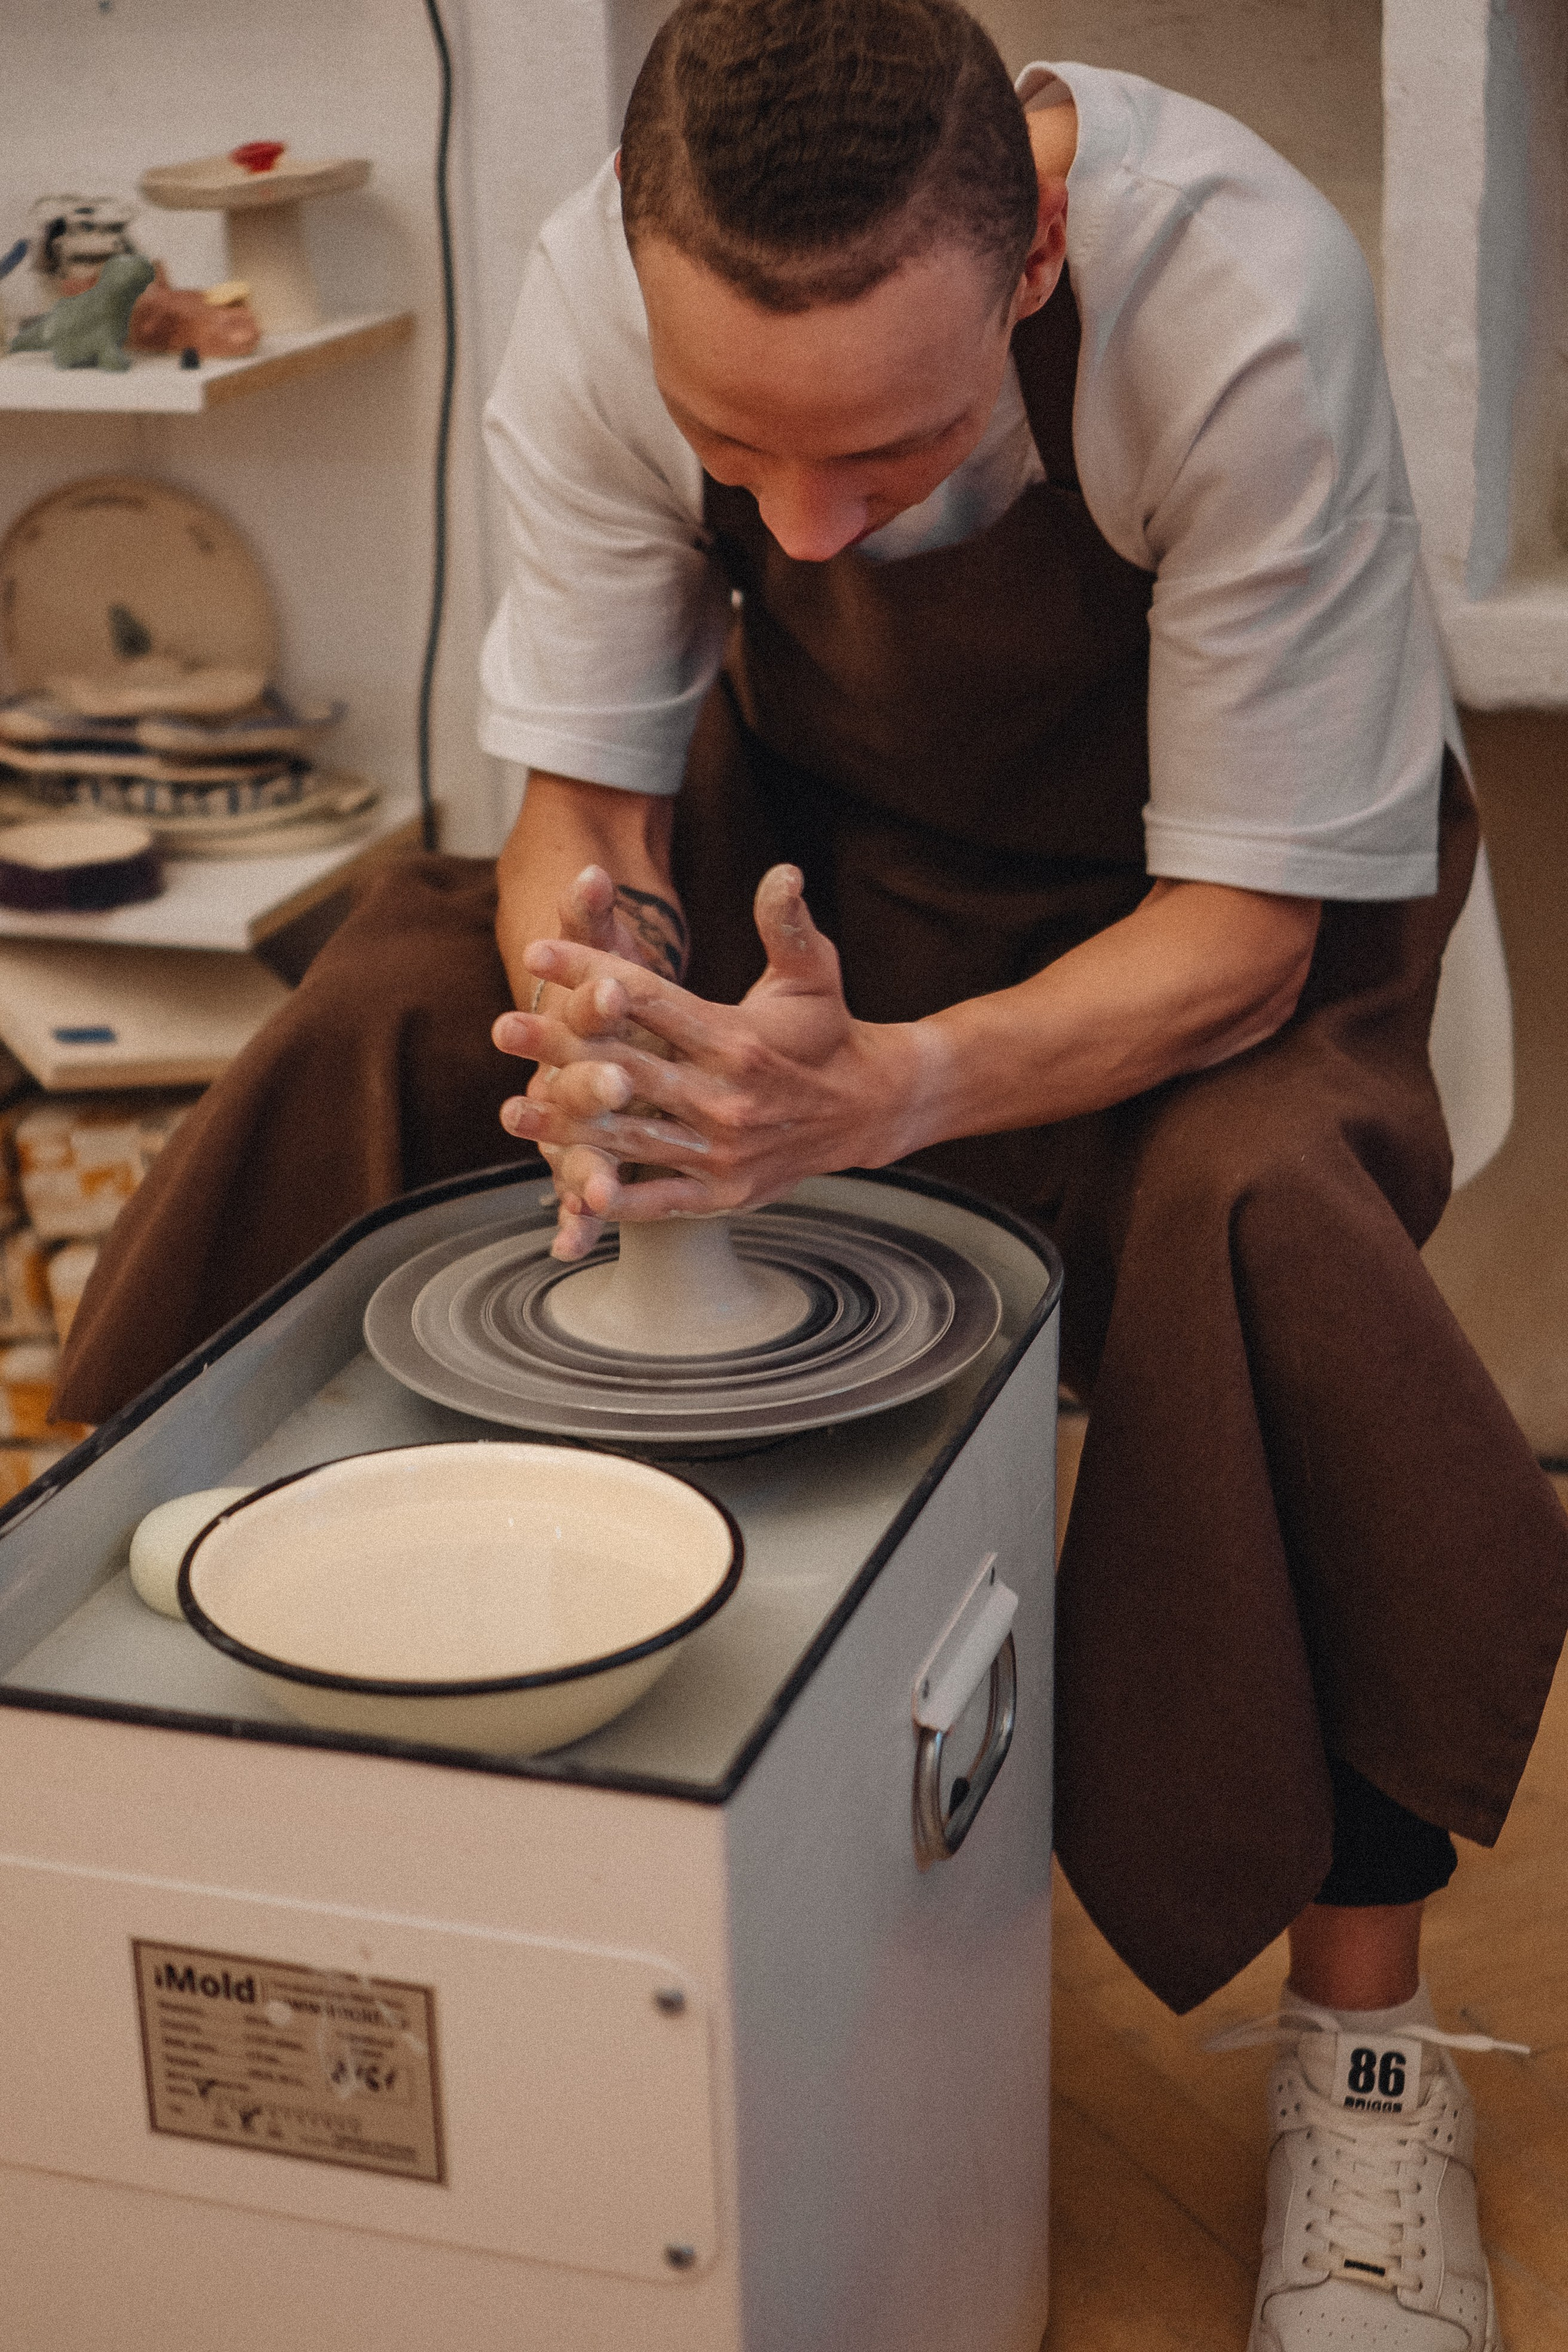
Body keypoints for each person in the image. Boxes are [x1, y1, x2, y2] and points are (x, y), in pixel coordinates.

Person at [55, 5, 1568, 2342]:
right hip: (826, 888)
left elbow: (1251, 931)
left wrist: (877, 1096)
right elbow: (591, 796)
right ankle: (231, 1807)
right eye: (730, 449)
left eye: (892, 445)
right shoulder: (596, 290)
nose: (803, 526)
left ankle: (1362, 2054)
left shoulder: (1238, 292)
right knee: (390, 1006)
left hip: (1201, 954)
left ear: (1039, 247)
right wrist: (608, 998)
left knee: (1262, 1219)